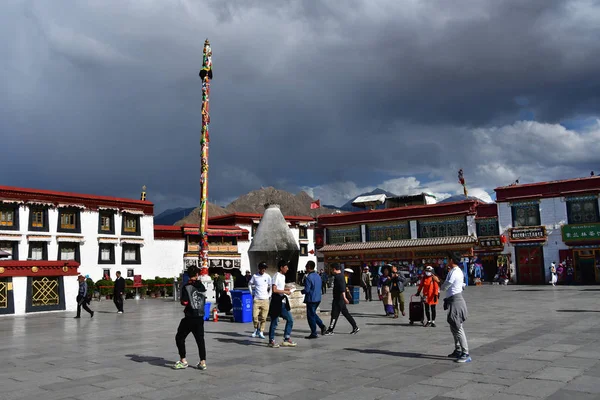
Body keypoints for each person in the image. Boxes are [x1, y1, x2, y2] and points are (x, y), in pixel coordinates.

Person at [173, 265, 207, 370]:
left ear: (188, 275)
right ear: (197, 274)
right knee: (200, 340)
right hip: (200, 316)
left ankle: (183, 360)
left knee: (179, 337)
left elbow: (184, 302)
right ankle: (203, 362)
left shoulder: (186, 286)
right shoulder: (201, 286)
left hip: (190, 316)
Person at [441, 254, 471, 363]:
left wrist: (440, 284)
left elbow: (447, 285)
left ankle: (465, 352)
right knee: (453, 327)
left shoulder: (454, 272)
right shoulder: (456, 271)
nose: (446, 261)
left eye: (447, 259)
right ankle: (458, 349)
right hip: (453, 300)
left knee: (458, 328)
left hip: (456, 301)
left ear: (451, 260)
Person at [324, 264, 359, 335]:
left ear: (334, 269)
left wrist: (344, 297)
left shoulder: (338, 277)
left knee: (334, 314)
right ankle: (355, 327)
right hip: (340, 299)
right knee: (346, 314)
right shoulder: (341, 276)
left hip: (338, 299)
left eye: (331, 269)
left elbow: (342, 288)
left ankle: (330, 330)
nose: (331, 271)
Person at [268, 260, 296, 348]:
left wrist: (287, 289)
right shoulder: (276, 276)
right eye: (286, 267)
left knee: (290, 319)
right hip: (276, 301)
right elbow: (274, 289)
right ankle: (271, 340)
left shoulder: (283, 277)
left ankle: (286, 338)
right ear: (281, 267)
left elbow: (280, 287)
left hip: (282, 301)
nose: (287, 268)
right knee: (274, 321)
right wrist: (285, 291)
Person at [301, 261, 327, 339]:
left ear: (309, 267)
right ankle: (322, 326)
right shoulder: (318, 276)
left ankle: (314, 332)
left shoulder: (308, 277)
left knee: (310, 316)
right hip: (317, 298)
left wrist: (301, 291)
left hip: (311, 299)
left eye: (306, 267)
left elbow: (307, 290)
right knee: (313, 314)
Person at [248, 262, 272, 339]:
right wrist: (251, 293)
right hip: (257, 299)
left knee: (263, 318)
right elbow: (249, 284)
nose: (263, 270)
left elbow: (271, 285)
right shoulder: (255, 276)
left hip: (265, 299)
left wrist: (269, 294)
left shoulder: (267, 276)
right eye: (262, 268)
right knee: (255, 316)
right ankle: (256, 329)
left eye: (264, 268)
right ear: (259, 268)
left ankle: (261, 331)